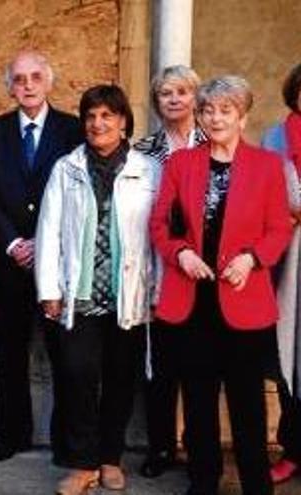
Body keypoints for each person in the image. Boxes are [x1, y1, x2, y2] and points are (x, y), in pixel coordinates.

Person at [150, 75, 292, 495]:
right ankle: (203, 480)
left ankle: (255, 483)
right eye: (208, 110)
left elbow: (279, 228)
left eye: (225, 111)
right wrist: (181, 254)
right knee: (197, 400)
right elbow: (160, 223)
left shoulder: (269, 167)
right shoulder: (180, 164)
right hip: (192, 300)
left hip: (244, 299)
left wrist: (252, 258)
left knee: (247, 403)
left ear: (242, 116)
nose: (215, 118)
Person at [35, 85, 158, 494]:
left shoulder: (148, 170)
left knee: (121, 378)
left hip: (127, 294)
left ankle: (110, 459)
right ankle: (82, 463)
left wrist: (156, 291)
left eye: (107, 116)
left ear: (123, 122)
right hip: (80, 295)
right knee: (77, 376)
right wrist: (49, 289)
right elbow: (49, 231)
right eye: (90, 116)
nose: (97, 124)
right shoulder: (66, 168)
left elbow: (158, 234)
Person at [0, 50, 83, 463]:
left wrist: (45, 242)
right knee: (10, 352)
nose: (27, 84)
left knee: (64, 354)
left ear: (48, 82)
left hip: (57, 263)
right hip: (8, 264)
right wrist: (11, 243)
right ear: (10, 86)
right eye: (19, 78)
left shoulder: (74, 130)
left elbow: (79, 194)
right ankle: (11, 436)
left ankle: (66, 441)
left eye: (35, 76)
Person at [133, 64, 207, 479]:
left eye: (182, 92)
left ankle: (200, 447)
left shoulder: (214, 145)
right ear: (157, 102)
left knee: (201, 366)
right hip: (158, 268)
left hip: (203, 270)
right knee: (159, 366)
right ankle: (160, 447)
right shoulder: (142, 151)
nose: (174, 99)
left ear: (195, 98)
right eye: (166, 93)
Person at [261, 62, 301, 485]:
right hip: (290, 259)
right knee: (293, 356)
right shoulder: (275, 137)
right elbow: (264, 191)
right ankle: (293, 448)